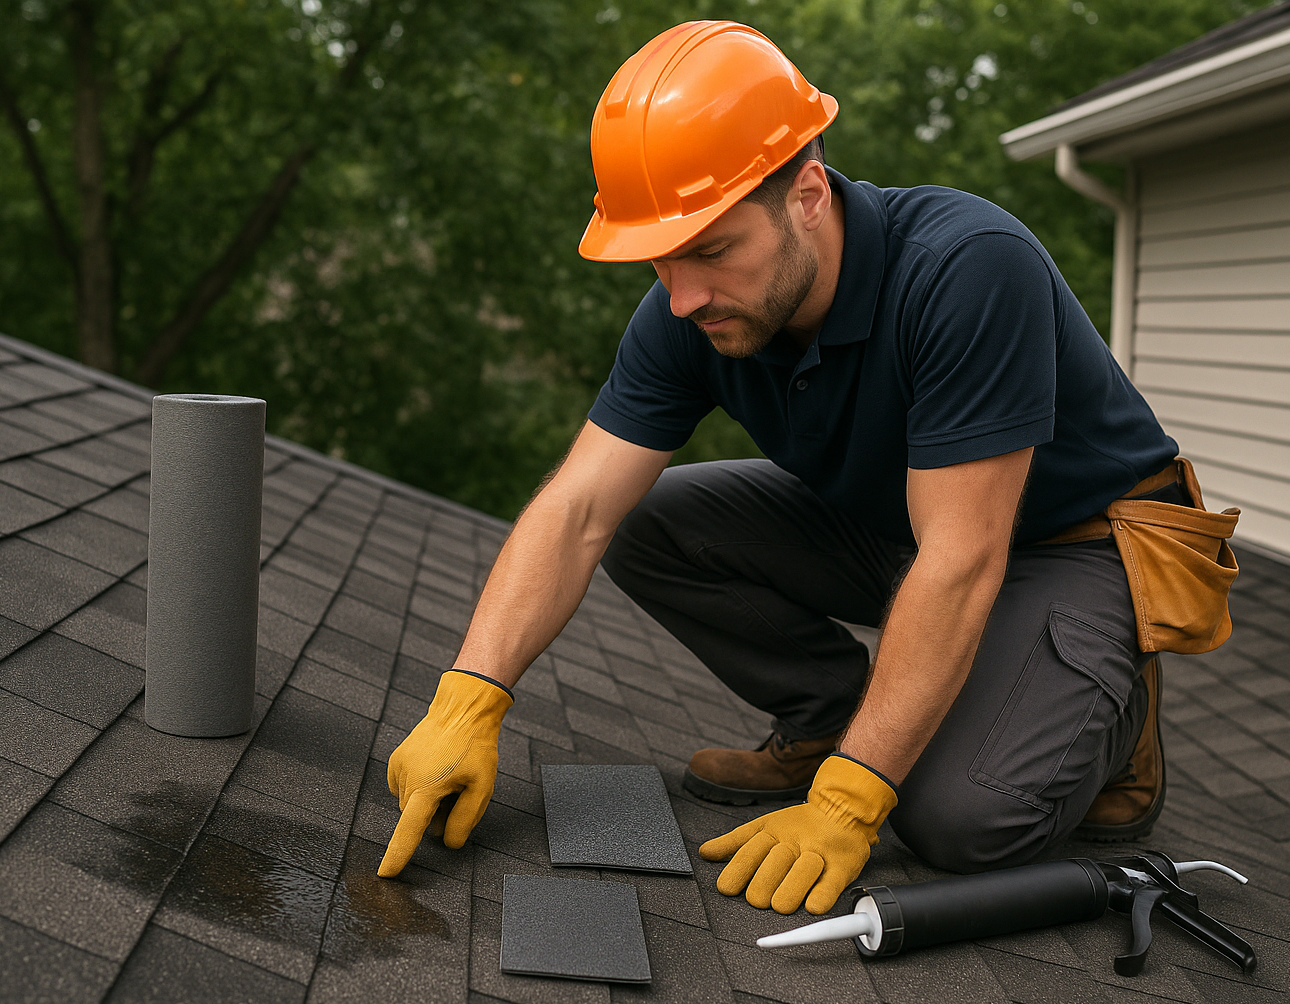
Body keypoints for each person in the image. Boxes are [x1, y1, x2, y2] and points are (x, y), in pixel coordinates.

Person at [377, 20, 1209, 917]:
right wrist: (469, 698)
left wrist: (853, 801)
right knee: (651, 519)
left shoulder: (966, 269)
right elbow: (579, 506)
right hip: (904, 524)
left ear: (807, 192)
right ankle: (827, 722)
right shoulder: (690, 308)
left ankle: (1114, 709)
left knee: (962, 824)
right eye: (661, 257)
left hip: (1069, 544)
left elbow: (963, 558)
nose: (682, 295)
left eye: (711, 248)